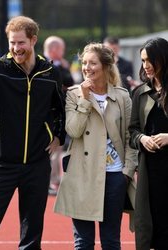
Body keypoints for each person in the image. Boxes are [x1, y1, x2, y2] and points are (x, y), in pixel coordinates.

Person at [0, 15, 66, 250]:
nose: (16, 48)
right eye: (12, 43)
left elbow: (60, 108)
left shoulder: (49, 72)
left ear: (33, 41)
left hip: (37, 163)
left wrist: (59, 135)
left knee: (32, 233)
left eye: (21, 43)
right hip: (2, 164)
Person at [54, 42, 137, 249]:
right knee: (83, 242)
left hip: (115, 176)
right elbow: (73, 131)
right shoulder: (74, 94)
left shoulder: (122, 96)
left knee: (111, 240)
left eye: (92, 63)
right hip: (82, 174)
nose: (86, 68)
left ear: (106, 66)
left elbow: (129, 137)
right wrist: (84, 99)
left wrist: (126, 172)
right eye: (84, 63)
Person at [129, 37, 168, 250]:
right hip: (149, 169)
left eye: (151, 59)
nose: (146, 65)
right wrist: (142, 139)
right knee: (149, 226)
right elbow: (132, 131)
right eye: (143, 60)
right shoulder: (140, 93)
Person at [43, 35, 74, 195]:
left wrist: (65, 67)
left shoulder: (60, 65)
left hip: (59, 112)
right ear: (54, 49)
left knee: (58, 148)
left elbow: (69, 83)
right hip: (47, 114)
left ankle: (54, 180)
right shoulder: (42, 64)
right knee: (51, 149)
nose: (63, 52)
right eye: (61, 49)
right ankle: (49, 181)